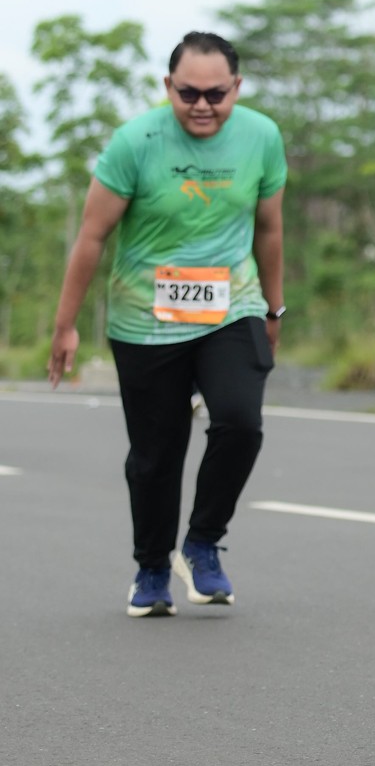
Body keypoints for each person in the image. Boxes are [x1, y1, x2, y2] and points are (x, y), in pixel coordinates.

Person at [48, 31, 287, 616]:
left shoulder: (261, 136)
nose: (202, 106)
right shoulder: (135, 141)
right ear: (167, 87)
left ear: (237, 87)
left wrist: (273, 308)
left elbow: (269, 229)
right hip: (145, 320)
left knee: (240, 422)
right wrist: (65, 325)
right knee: (156, 453)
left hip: (231, 306)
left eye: (215, 94)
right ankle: (152, 567)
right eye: (187, 94)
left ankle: (202, 543)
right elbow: (92, 237)